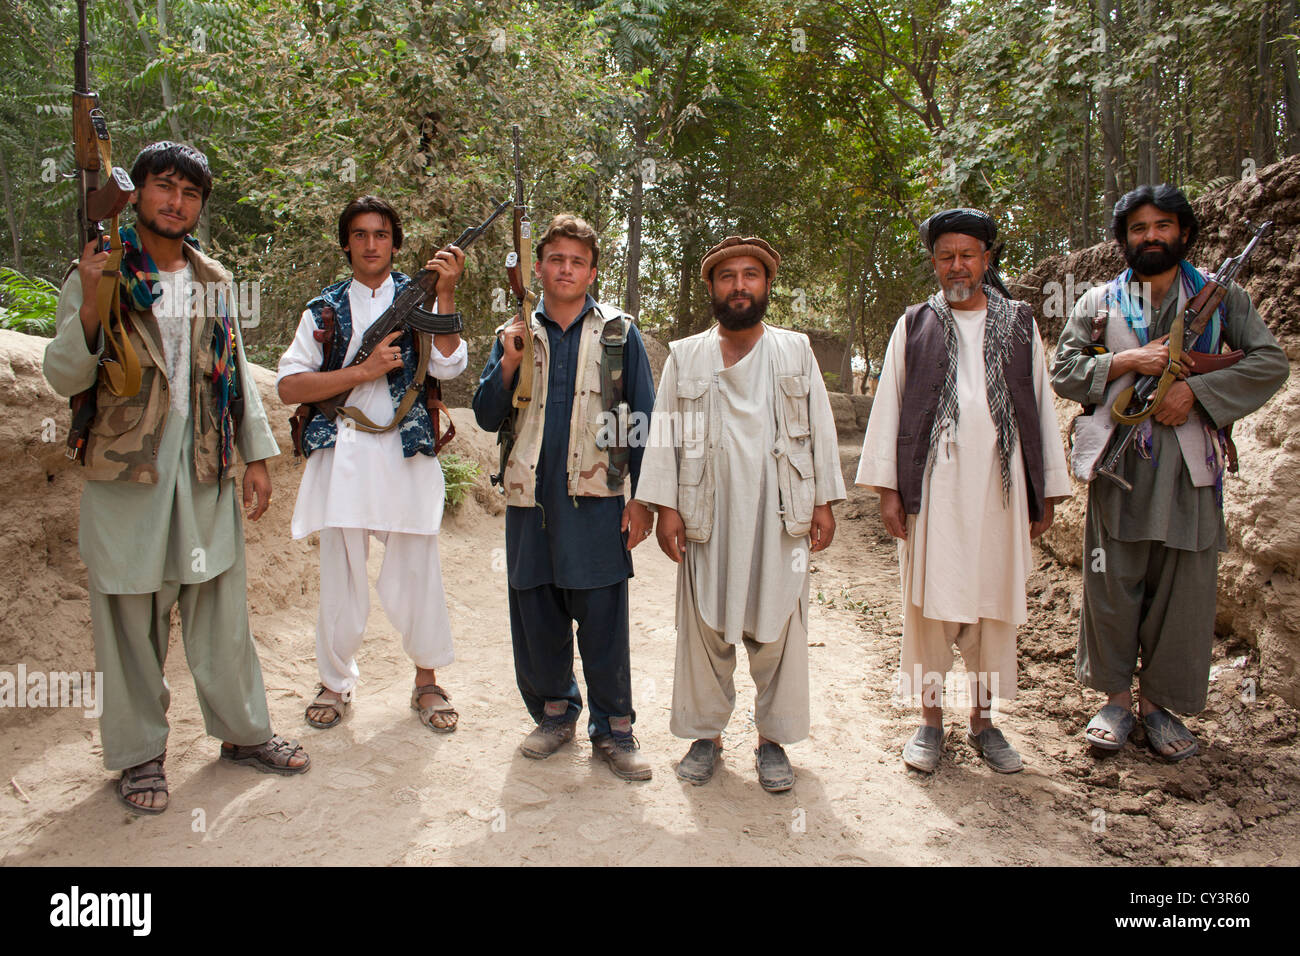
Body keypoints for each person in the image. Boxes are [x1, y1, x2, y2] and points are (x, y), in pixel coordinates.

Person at [43, 141, 309, 814]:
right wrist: (88, 304)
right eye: (165, 187)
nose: (176, 202)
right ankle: (138, 757)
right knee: (129, 619)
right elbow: (63, 376)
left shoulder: (214, 280)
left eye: (190, 194)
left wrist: (256, 457)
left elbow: (235, 375)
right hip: (127, 477)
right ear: (137, 195)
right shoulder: (102, 271)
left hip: (204, 472)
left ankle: (244, 735)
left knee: (221, 614)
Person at [1051, 185, 1288, 761]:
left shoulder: (1220, 297)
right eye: (1138, 228)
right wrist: (1127, 360)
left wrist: (1198, 392)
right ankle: (1113, 701)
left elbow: (1269, 362)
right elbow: (1063, 370)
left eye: (1162, 226)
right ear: (1124, 238)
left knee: (1183, 590)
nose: (1150, 236)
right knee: (1112, 584)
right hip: (1120, 464)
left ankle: (1159, 707)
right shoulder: (1101, 301)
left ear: (1183, 233)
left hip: (1190, 471)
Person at [856, 208, 1072, 775]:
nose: (958, 265)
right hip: (934, 493)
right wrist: (887, 491)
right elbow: (891, 408)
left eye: (968, 255)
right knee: (928, 609)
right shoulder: (915, 324)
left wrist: (1044, 488)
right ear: (934, 263)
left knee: (992, 607)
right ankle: (930, 724)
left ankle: (983, 722)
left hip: (998, 494)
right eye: (946, 256)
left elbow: (1042, 408)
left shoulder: (1020, 323)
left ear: (986, 260)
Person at [633, 236, 845, 792]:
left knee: (779, 626)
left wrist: (822, 499)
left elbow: (821, 427)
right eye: (728, 277)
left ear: (767, 285)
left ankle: (772, 741)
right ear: (712, 288)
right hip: (707, 511)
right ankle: (707, 736)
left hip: (780, 512)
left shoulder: (796, 350)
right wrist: (667, 507)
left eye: (751, 275)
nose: (740, 286)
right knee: (705, 624)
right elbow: (665, 435)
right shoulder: (685, 356)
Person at [472, 213, 656, 781]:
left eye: (578, 261)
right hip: (530, 501)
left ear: (593, 271)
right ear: (540, 267)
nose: (566, 269)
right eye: (556, 259)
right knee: (537, 613)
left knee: (602, 618)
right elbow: (484, 415)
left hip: (597, 499)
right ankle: (554, 715)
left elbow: (642, 421)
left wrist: (642, 500)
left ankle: (614, 729)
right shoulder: (517, 333)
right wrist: (506, 360)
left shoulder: (620, 336)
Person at [277, 196, 468, 734]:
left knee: (417, 569)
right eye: (359, 234)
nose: (370, 244)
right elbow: (290, 385)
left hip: (405, 453)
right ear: (346, 243)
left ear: (395, 242)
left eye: (380, 234)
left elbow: (453, 362)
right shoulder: (325, 308)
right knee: (341, 577)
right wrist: (360, 372)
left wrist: (446, 291)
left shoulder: (419, 297)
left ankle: (426, 681)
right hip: (343, 456)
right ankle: (335, 683)